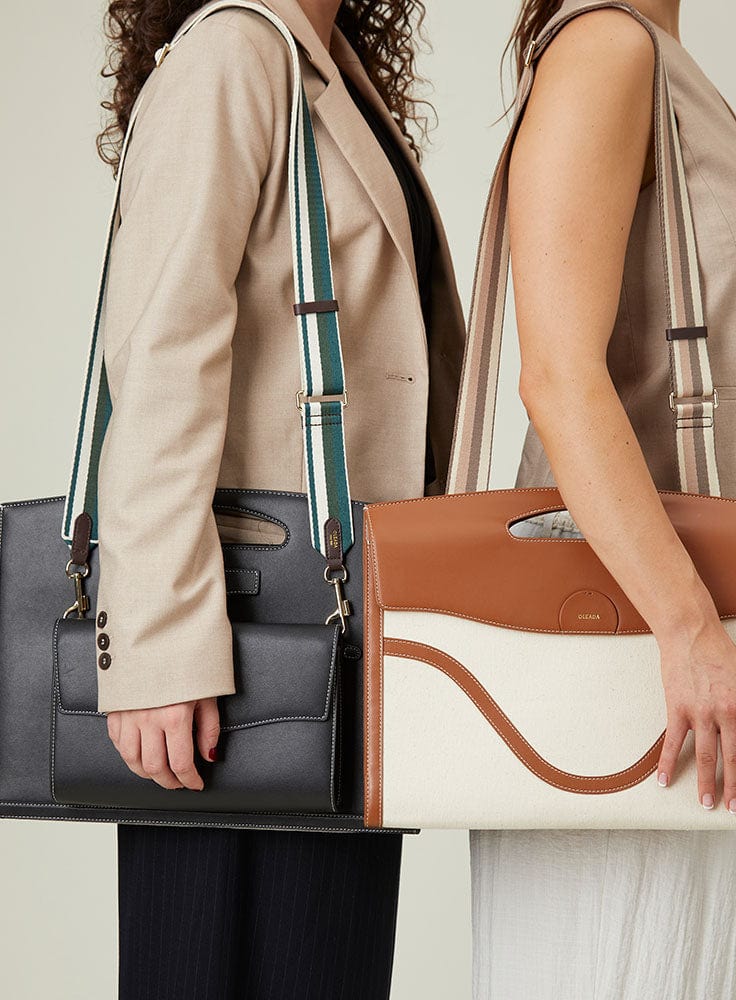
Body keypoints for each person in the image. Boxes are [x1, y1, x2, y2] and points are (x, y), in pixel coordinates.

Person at [91, 0, 464, 996]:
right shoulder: (232, 53)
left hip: (339, 642)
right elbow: (159, 357)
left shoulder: (324, 66)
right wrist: (156, 651)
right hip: (229, 659)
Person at [470, 1, 736, 998]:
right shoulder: (605, 51)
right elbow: (557, 376)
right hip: (634, 660)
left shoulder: (654, 58)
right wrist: (690, 630)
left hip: (672, 668)